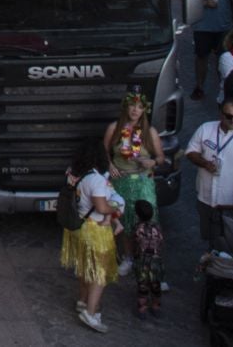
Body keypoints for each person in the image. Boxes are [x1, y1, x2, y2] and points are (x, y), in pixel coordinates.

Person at [186, 100, 233, 251]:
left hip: (230, 201)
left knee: (227, 239)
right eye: (229, 116)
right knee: (208, 236)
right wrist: (205, 163)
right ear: (221, 114)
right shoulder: (206, 128)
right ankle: (210, 261)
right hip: (205, 196)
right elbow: (191, 151)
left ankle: (220, 268)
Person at [63, 140, 120, 333]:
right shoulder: (96, 179)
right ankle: (90, 311)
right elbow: (102, 207)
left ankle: (82, 300)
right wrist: (116, 207)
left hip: (80, 228)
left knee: (84, 267)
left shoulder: (76, 175)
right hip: (95, 230)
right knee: (100, 274)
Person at [104, 91, 164, 272]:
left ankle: (151, 261)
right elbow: (104, 150)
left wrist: (152, 162)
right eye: (132, 106)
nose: (135, 110)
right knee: (125, 219)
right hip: (121, 180)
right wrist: (109, 165)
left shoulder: (149, 132)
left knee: (148, 217)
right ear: (126, 107)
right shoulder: (114, 128)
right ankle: (128, 257)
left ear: (144, 110)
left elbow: (160, 157)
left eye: (139, 107)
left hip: (143, 180)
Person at [129, 198, 165, 320]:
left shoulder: (137, 228)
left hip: (142, 261)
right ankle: (156, 306)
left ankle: (142, 308)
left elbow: (134, 244)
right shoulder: (157, 227)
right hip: (156, 261)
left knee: (142, 286)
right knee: (156, 285)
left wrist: (133, 255)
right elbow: (161, 242)